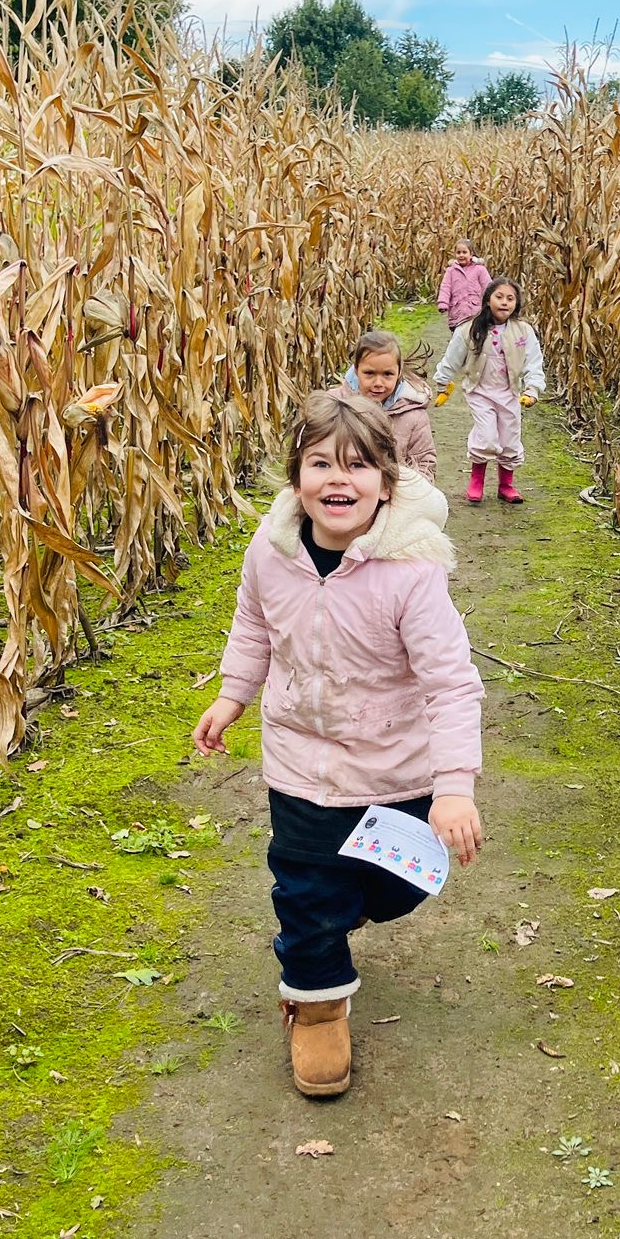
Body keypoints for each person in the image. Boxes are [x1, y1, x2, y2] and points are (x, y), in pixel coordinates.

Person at [192, 390, 483, 1099]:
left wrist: (453, 788)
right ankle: (318, 1002)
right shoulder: (272, 553)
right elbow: (254, 624)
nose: (337, 479)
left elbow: (450, 683)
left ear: (386, 482)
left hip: (394, 767)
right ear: (297, 478)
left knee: (398, 885)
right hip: (300, 765)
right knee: (306, 891)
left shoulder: (411, 574)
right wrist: (233, 695)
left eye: (357, 465)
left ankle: (336, 912)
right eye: (320, 464)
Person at [432, 277, 545, 506]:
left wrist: (532, 389)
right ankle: (477, 479)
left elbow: (533, 362)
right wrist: (442, 384)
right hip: (480, 392)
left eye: (510, 298)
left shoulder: (523, 331)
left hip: (510, 392)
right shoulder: (470, 328)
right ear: (487, 300)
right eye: (499, 297)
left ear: (517, 303)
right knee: (486, 435)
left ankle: (506, 485)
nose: (504, 302)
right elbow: (452, 358)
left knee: (510, 438)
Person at [343, 328, 437, 481]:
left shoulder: (414, 417)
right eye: (369, 373)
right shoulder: (336, 406)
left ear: (399, 372)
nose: (378, 383)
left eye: (387, 374)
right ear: (356, 370)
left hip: (394, 492)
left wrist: (400, 490)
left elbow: (425, 465)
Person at [437, 239, 491, 330]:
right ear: (455, 254)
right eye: (458, 252)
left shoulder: (479, 269)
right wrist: (443, 303)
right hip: (457, 312)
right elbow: (445, 287)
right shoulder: (451, 271)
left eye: (464, 252)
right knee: (458, 336)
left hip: (475, 312)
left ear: (471, 254)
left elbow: (488, 286)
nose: (461, 255)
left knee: (475, 334)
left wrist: (491, 302)